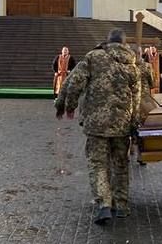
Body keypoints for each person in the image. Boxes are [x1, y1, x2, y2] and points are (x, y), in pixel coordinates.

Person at [55, 28, 146, 225]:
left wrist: (69, 106)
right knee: (120, 163)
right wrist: (134, 123)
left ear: (108, 41)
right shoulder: (132, 64)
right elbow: (136, 97)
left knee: (98, 164)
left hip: (96, 123)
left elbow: (75, 81)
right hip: (122, 124)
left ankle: (104, 203)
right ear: (124, 44)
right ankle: (121, 205)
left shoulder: (94, 57)